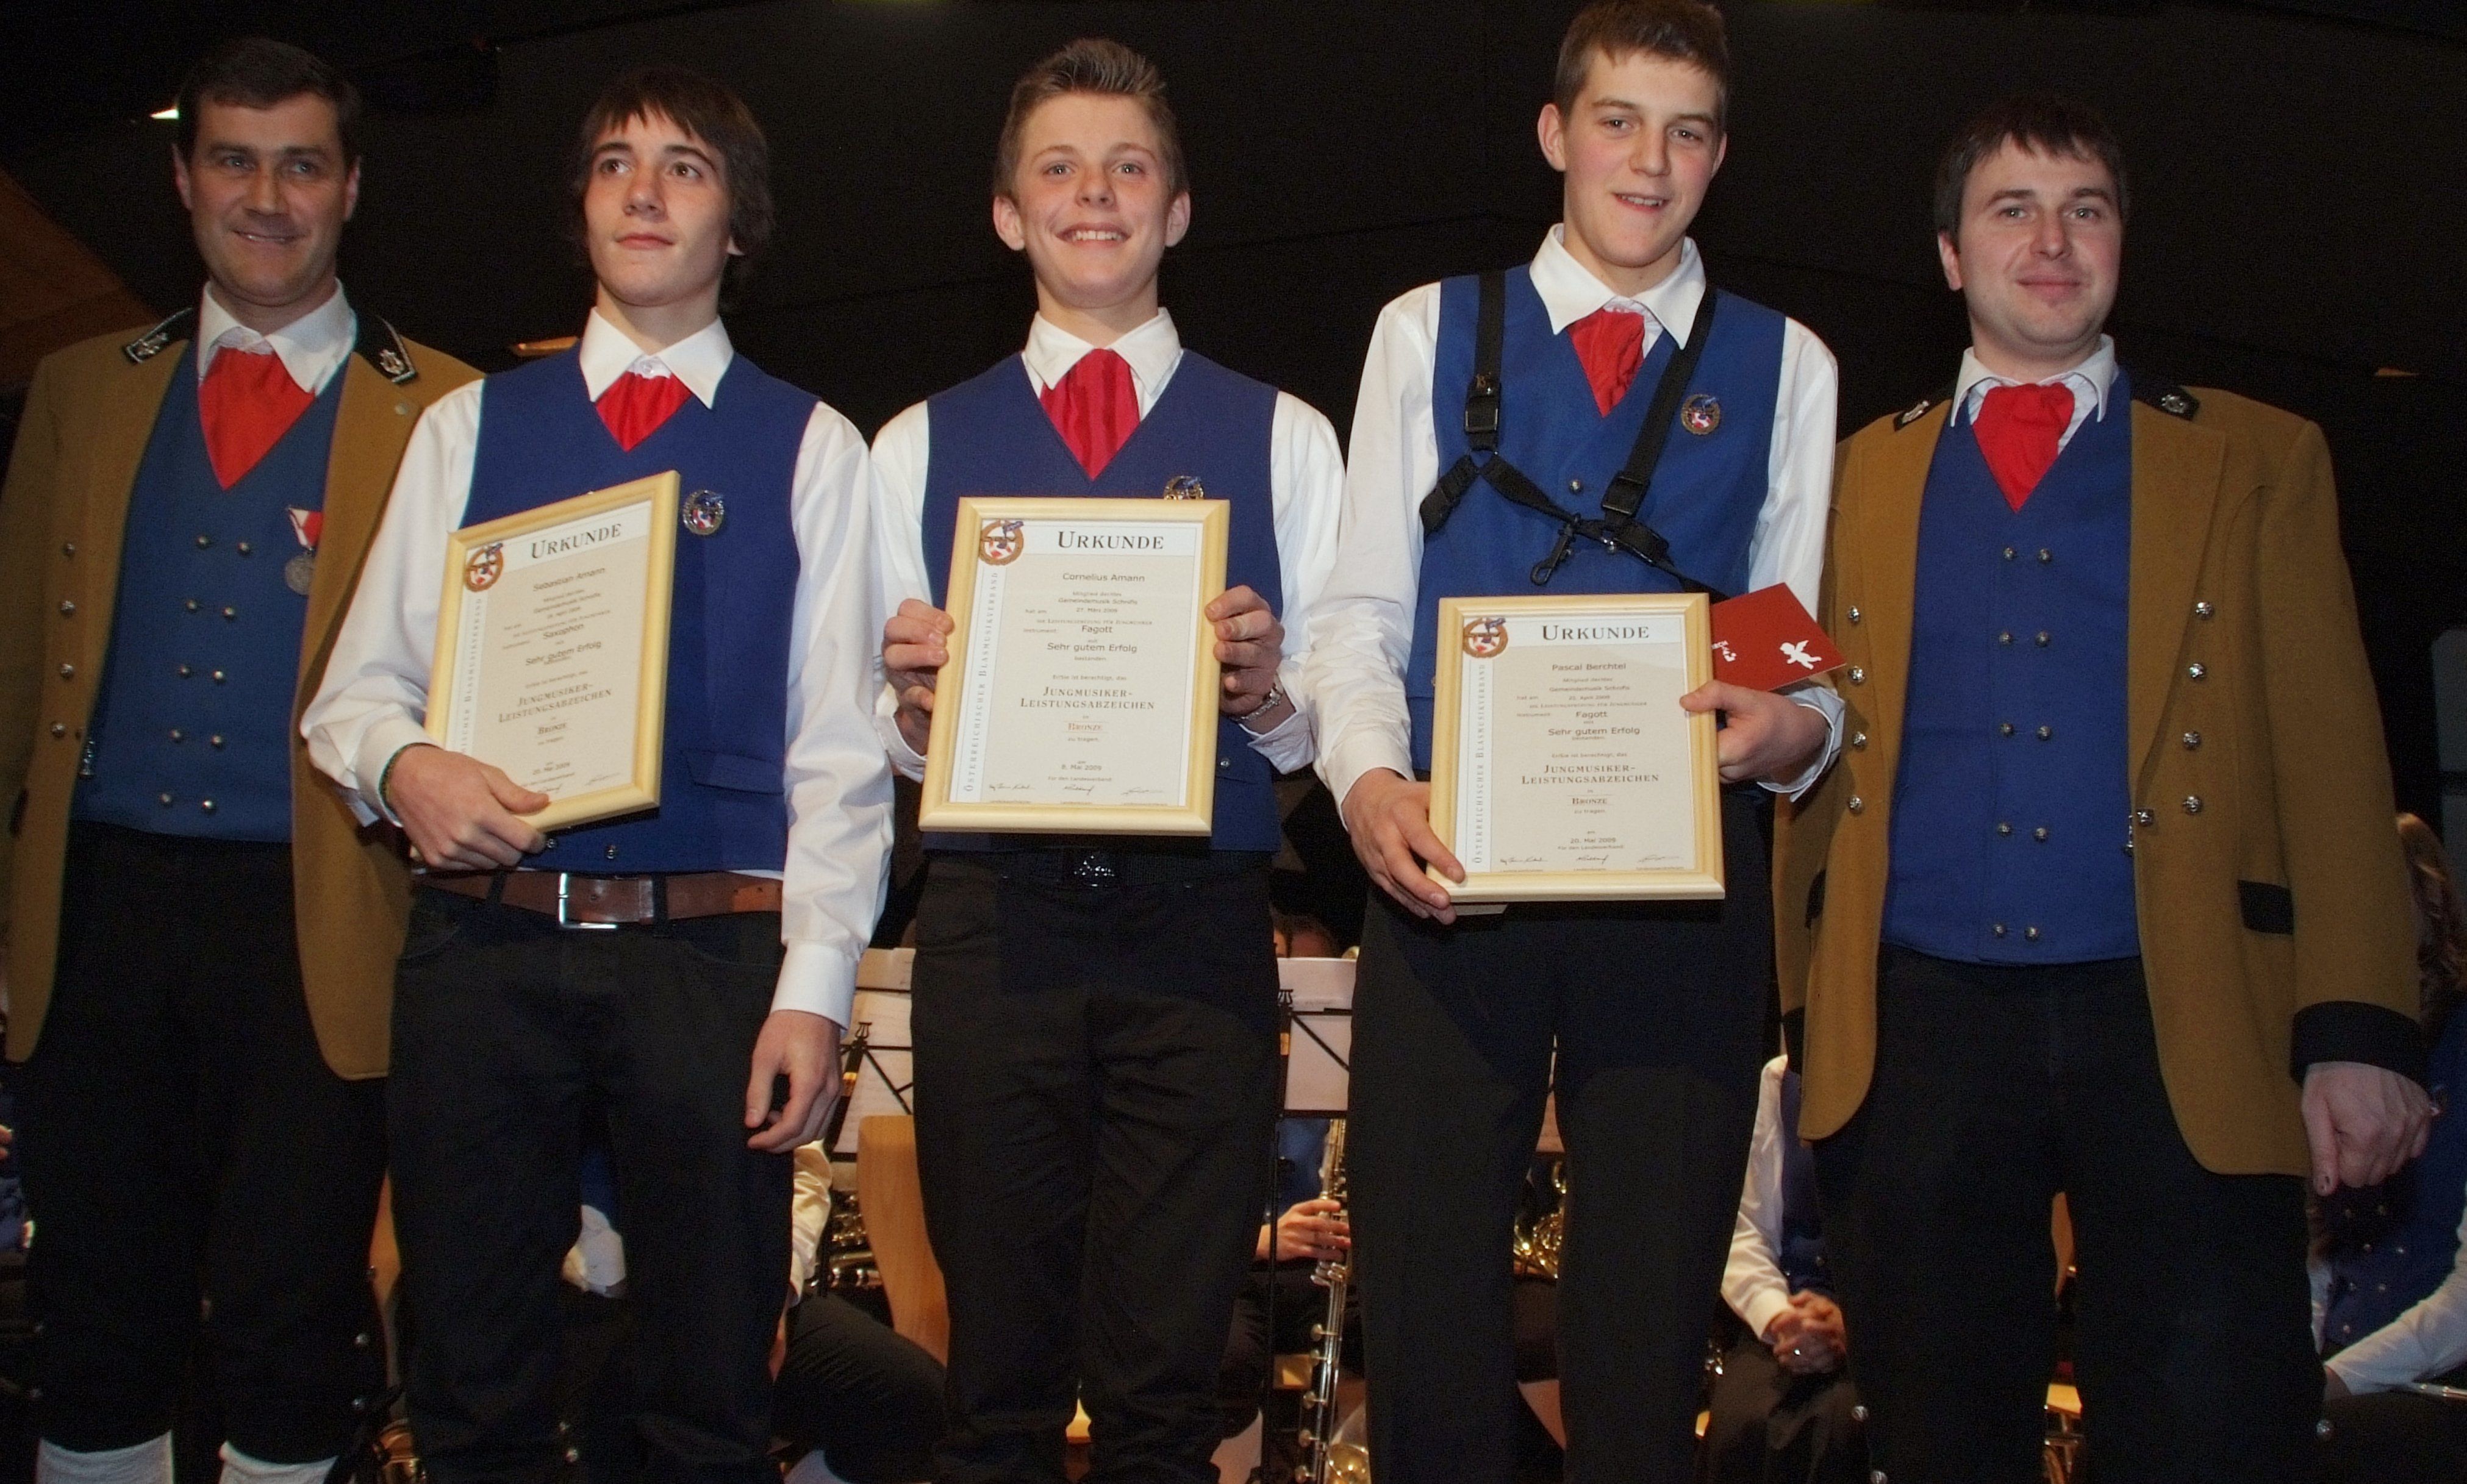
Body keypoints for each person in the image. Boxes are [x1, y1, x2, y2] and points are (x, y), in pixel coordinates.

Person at [1772, 93, 2435, 1483]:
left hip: (2185, 1011)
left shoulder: (2258, 459)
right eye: (2010, 209)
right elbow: (1795, 749)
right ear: (1949, 254)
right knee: (1938, 1438)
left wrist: (2359, 1024)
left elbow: (2334, 756)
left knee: (2209, 1427)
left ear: (2121, 241)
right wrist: (1802, 1015)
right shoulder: (1841, 475)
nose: (2051, 241)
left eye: (2085, 209)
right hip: (1917, 1025)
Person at [302, 66, 891, 1484]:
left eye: (685, 167)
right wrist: (405, 764)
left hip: (709, 958)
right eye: (616, 162)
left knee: (711, 1394)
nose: (644, 191)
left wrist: (813, 989)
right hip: (481, 947)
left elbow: (841, 750)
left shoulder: (814, 445)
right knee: (469, 1379)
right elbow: (351, 697)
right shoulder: (467, 427)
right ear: (579, 207)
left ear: (738, 223)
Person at [1302, 2, 1840, 1477]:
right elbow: (1357, 611)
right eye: (1617, 121)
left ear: (1718, 156)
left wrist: (1791, 729)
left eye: (1685, 132)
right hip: (1446, 870)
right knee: (1421, 1298)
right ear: (1555, 133)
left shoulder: (1786, 361)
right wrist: (1365, 781)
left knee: (1649, 1316)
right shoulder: (1424, 329)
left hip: (1678, 888)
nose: (1647, 161)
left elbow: (1787, 630)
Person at [0, 38, 478, 1484]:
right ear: (183, 177)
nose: (265, 197)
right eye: (233, 160)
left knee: (293, 1317)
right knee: (92, 1308)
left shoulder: (451, 408)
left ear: (350, 188)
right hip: (94, 914)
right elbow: (13, 667)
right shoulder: (78, 387)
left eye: (300, 164)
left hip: (318, 920)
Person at [871, 37, 1342, 1482]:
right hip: (990, 927)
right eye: (1059, 168)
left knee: (1164, 1393)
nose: (1095, 193)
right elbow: (875, 732)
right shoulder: (911, 446)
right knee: (997, 1385)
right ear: (1007, 212)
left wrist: (1267, 690)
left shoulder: (1285, 437)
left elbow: (1327, 722)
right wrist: (913, 703)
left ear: (1176, 208)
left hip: (1196, 929)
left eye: (1128, 166)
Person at [2313, 815, 2467, 1480]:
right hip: (2345, 1378)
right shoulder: (2326, 1048)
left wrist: (2335, 1382)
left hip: (2438, 1382)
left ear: (2426, 906)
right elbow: (2319, 1256)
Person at [1703, 1055, 1864, 1484]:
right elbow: (1747, 1231)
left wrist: (1855, 1329)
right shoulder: (1779, 1080)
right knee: (1742, 1421)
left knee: (1842, 1427)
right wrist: (1780, 1316)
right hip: (1795, 1318)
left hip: (1898, 1340)